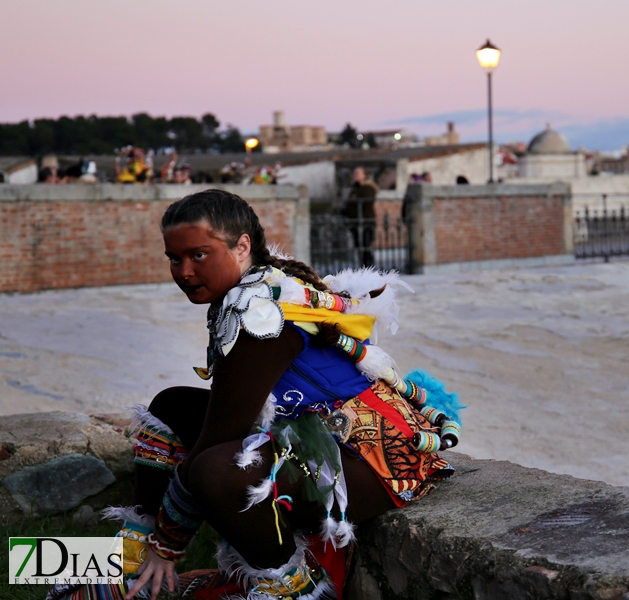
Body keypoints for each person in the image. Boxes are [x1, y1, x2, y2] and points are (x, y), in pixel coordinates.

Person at [50, 189, 459, 600]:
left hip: (375, 461)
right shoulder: (261, 285)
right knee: (171, 404)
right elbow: (230, 417)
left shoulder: (258, 312)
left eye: (199, 255)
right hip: (318, 431)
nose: (185, 272)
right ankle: (128, 556)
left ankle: (292, 587)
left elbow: (213, 446)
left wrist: (168, 548)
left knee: (213, 470)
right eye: (175, 258)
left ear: (242, 245)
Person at [343, 167, 378, 267]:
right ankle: (363, 267)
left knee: (365, 247)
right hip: (355, 222)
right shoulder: (355, 188)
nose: (355, 175)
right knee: (359, 247)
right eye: (354, 173)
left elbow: (364, 203)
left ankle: (369, 268)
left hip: (366, 222)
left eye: (358, 173)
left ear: (365, 175)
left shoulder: (368, 188)